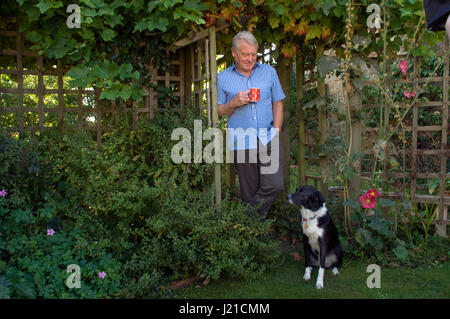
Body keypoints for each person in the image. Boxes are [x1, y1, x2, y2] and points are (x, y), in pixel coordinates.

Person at [217, 31, 285, 218]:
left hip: (268, 137)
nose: (250, 59)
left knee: (274, 184)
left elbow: (278, 102)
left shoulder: (269, 72)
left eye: (253, 54)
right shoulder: (222, 78)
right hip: (241, 141)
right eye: (245, 54)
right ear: (234, 52)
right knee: (250, 191)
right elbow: (217, 112)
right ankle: (256, 234)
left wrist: (276, 131)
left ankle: (246, 222)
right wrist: (233, 103)